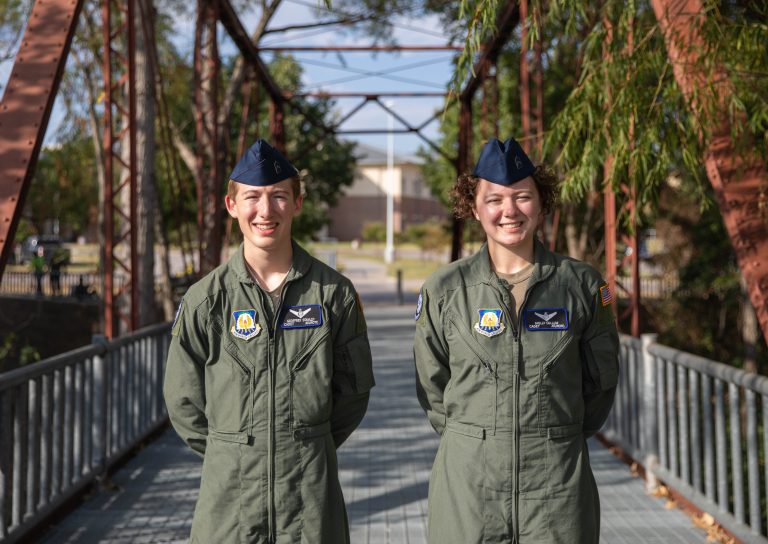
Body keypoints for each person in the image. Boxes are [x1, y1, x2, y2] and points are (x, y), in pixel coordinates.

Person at [164, 139, 374, 543]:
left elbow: (353, 395)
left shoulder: (333, 295)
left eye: (279, 196)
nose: (265, 210)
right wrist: (235, 451)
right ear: (232, 205)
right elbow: (183, 401)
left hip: (310, 497)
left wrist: (305, 445)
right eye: (252, 197)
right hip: (230, 500)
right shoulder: (206, 300)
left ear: (297, 204)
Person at [413, 137, 619, 544]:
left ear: (541, 204)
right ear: (474, 208)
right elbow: (432, 387)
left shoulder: (582, 286)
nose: (509, 211)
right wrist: (475, 436)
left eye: (522, 197)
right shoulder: (446, 289)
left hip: (556, 486)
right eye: (494, 200)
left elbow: (601, 383)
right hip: (469, 487)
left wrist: (554, 433)